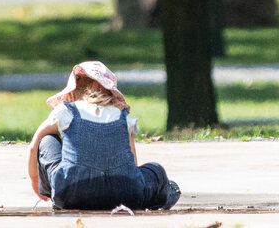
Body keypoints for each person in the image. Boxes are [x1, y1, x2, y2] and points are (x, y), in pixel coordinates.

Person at [27, 61, 180, 211]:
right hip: (125, 195)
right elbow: (132, 165)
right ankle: (167, 193)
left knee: (47, 140)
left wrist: (35, 180)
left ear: (73, 90)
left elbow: (34, 146)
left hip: (70, 193)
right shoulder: (123, 117)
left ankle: (53, 192)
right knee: (155, 170)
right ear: (110, 91)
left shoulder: (65, 112)